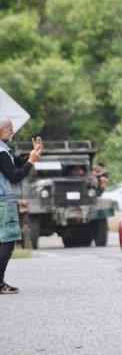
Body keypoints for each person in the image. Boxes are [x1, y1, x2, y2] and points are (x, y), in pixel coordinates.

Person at [0, 117, 43, 295]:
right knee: (8, 241)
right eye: (9, 128)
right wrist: (31, 161)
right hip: (4, 201)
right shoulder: (1, 152)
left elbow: (18, 162)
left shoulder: (5, 151)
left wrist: (34, 154)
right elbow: (15, 175)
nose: (12, 131)